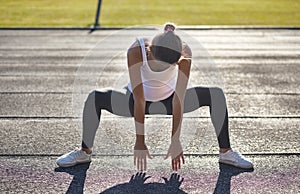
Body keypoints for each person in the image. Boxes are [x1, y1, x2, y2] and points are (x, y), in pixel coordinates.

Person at [56, 23, 253, 171]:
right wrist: (140, 141)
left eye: (169, 66)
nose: (162, 70)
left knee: (215, 95)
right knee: (95, 98)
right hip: (135, 100)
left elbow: (178, 99)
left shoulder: (184, 53)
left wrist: (175, 140)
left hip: (169, 100)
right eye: (158, 64)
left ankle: (226, 153)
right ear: (149, 52)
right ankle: (84, 152)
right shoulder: (136, 50)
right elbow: (140, 99)